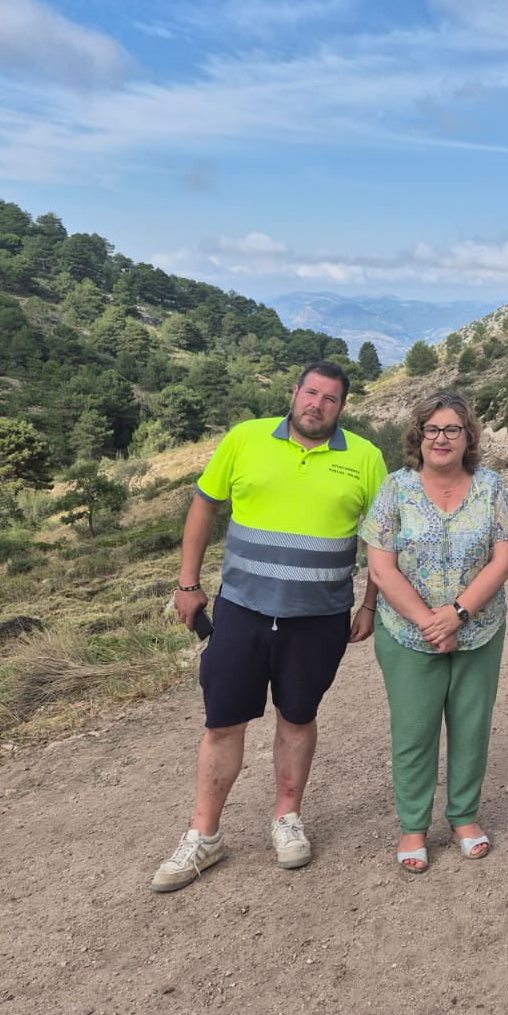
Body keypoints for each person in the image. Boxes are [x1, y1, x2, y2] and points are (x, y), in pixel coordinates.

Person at [152, 361, 387, 893]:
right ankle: (204, 836)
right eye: (311, 393)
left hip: (320, 617)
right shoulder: (245, 438)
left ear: (342, 408)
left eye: (330, 399)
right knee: (222, 722)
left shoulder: (366, 458)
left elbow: (382, 541)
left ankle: (287, 818)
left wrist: (369, 604)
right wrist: (188, 584)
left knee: (297, 717)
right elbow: (204, 507)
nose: (317, 405)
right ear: (294, 392)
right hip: (241, 609)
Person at [361, 390, 508, 873]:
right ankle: (413, 826)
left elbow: (504, 557)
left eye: (453, 429)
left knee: (471, 728)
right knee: (414, 731)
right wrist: (431, 622)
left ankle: (464, 816)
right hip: (408, 634)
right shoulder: (395, 489)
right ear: (418, 436)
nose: (442, 438)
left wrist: (459, 614)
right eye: (432, 429)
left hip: (479, 630)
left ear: (468, 436)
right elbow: (381, 567)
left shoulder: (490, 487)